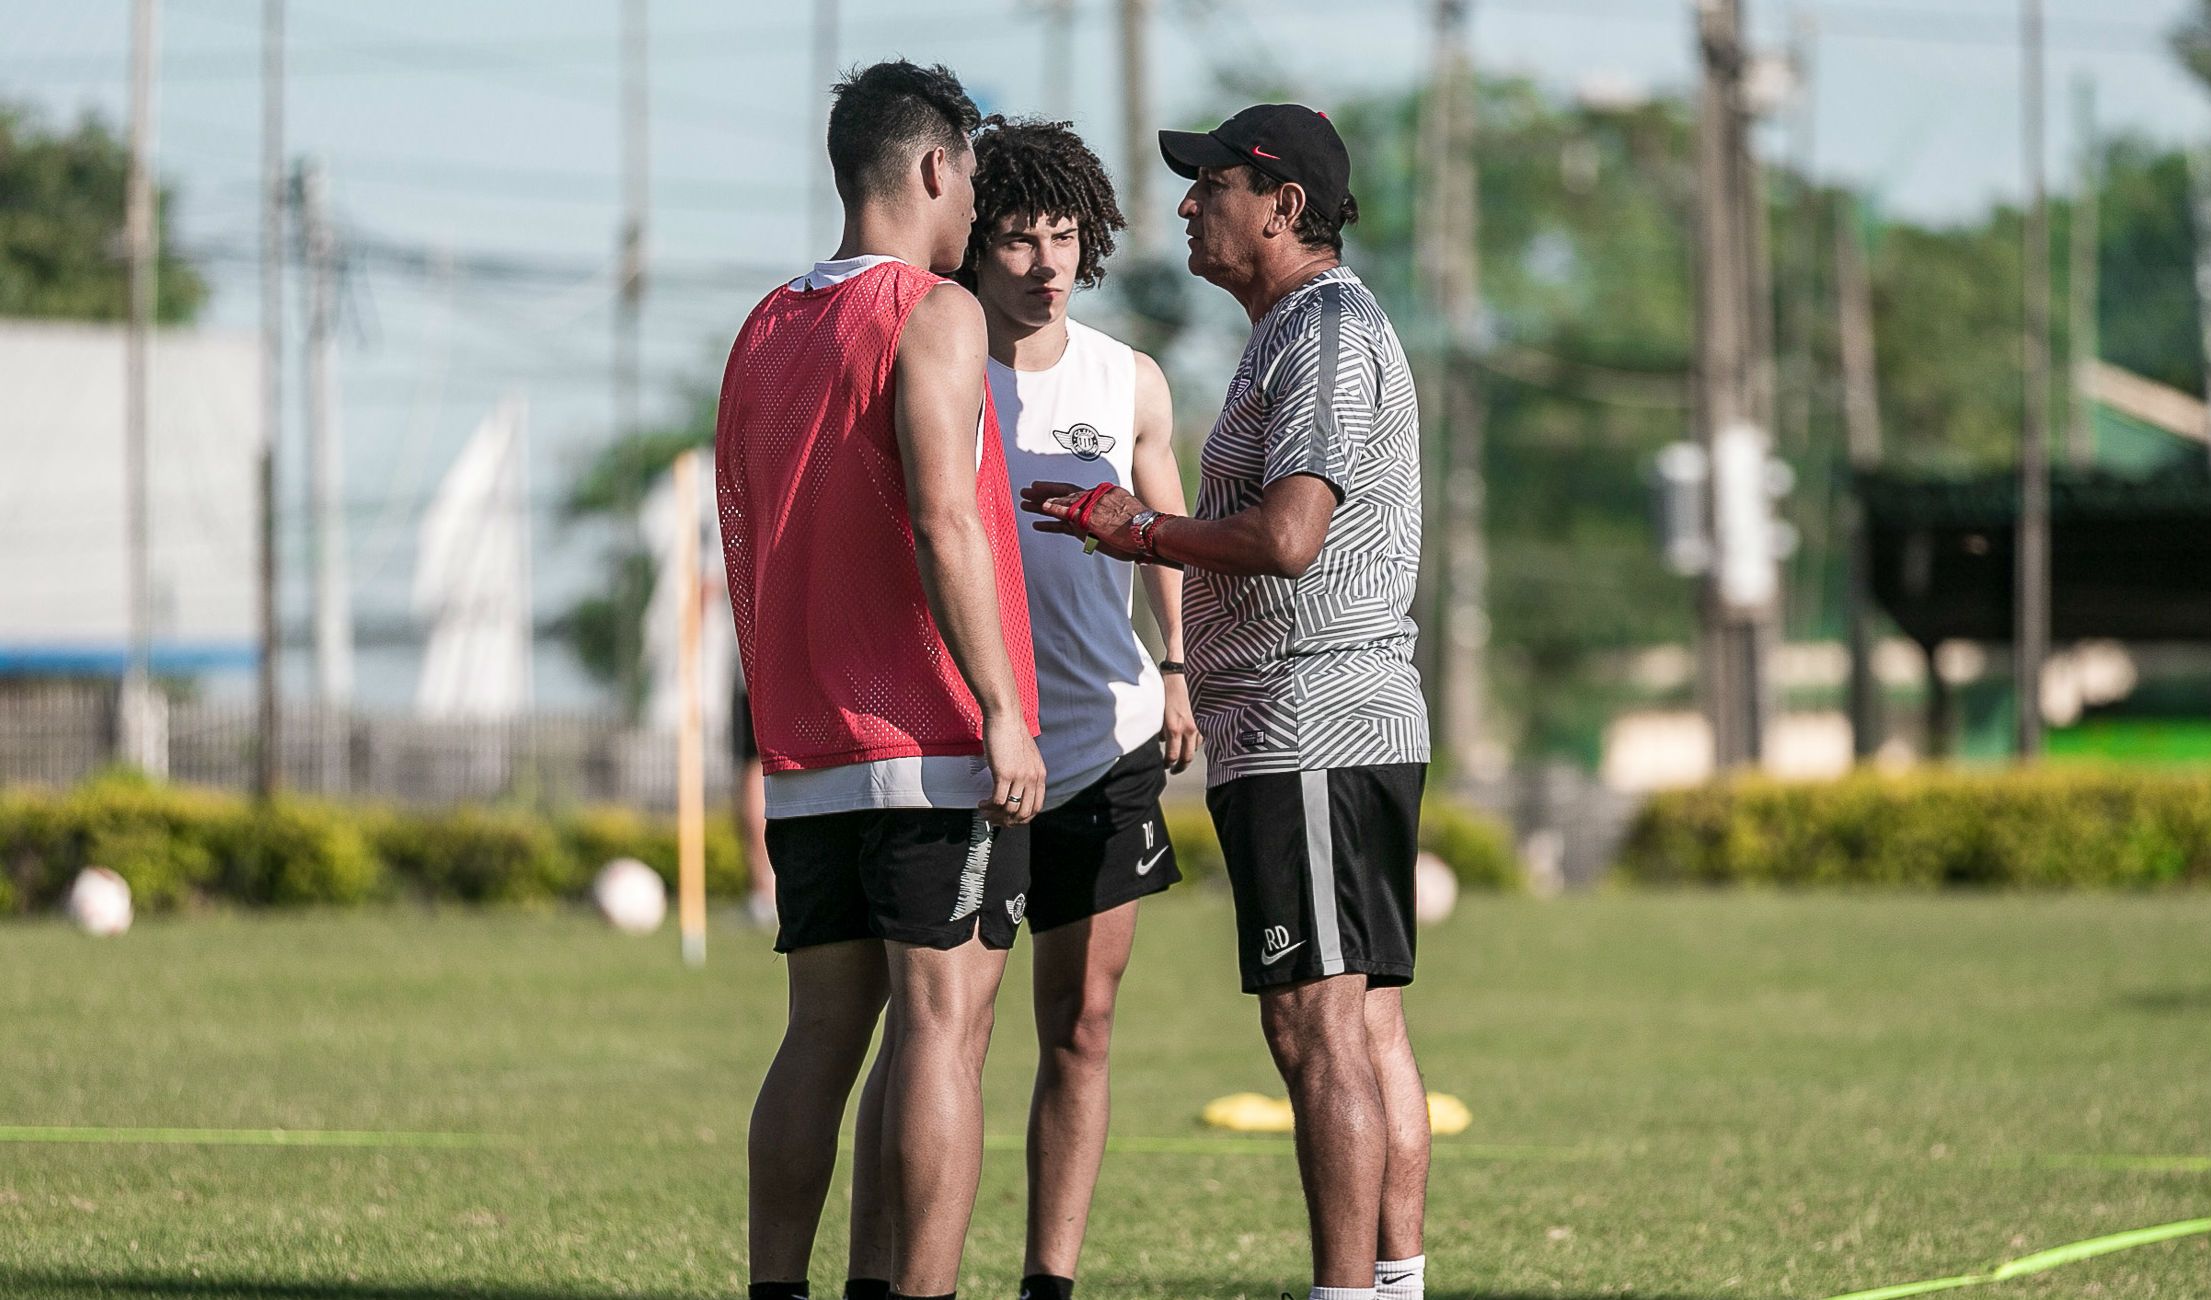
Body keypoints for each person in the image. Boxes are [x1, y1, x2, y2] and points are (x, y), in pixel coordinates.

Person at [1024, 104, 1432, 1300]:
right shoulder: (1297, 330)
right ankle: (1392, 1284)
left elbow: (1290, 536)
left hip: (1313, 723)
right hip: (1337, 722)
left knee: (1315, 1032)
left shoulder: (1320, 330)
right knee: (1364, 1032)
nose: (1193, 203)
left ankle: (1347, 1293)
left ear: (1284, 207)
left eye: (1214, 183)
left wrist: (1133, 529)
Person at [846, 116, 1199, 1300]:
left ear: (1088, 240)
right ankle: (889, 1275)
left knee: (1082, 1024)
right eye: (1015, 238)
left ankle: (1049, 1279)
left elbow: (1167, 527)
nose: (1043, 263)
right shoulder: (936, 355)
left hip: (1108, 741)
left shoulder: (1129, 378)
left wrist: (1180, 667)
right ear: (974, 244)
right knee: (942, 1033)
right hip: (971, 747)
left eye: (1062, 238)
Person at [717, 59, 1047, 1300]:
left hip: (806, 747)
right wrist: (1005, 711)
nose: (976, 203)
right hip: (927, 732)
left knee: (820, 1035)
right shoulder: (934, 311)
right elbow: (941, 519)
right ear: (929, 170)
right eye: (970, 174)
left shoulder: (767, 323)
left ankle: (782, 1289)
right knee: (942, 1030)